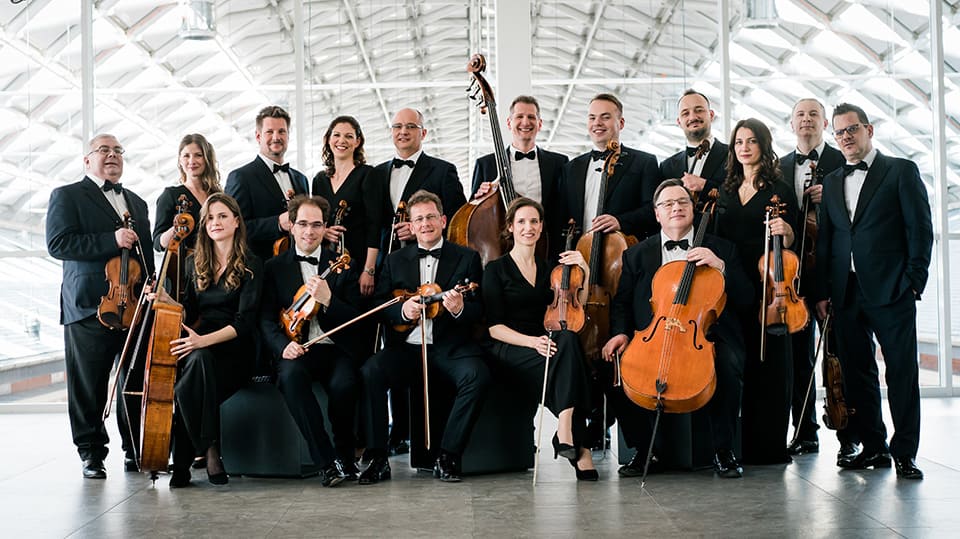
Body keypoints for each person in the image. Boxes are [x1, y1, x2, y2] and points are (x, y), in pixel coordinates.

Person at [602, 179, 751, 478]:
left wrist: (720, 266)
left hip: (705, 335)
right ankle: (645, 450)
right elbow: (622, 302)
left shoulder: (721, 249)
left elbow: (748, 298)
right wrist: (619, 332)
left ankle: (723, 451)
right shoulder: (636, 254)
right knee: (613, 367)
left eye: (682, 202)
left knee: (727, 363)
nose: (676, 208)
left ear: (693, 209)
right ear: (656, 213)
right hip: (653, 334)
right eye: (667, 204)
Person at [815, 103, 932, 480]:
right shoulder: (832, 180)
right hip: (846, 292)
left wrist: (914, 280)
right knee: (857, 374)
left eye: (852, 129)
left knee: (900, 373)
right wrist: (823, 290)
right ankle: (874, 447)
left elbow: (920, 229)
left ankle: (905, 453)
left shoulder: (900, 170)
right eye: (840, 133)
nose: (846, 137)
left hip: (892, 289)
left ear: (869, 129)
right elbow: (830, 240)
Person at [358, 190, 491, 484]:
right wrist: (402, 313)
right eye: (419, 219)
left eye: (431, 217)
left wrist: (459, 309)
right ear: (412, 225)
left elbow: (479, 309)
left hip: (449, 348)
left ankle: (449, 455)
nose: (426, 223)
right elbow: (380, 306)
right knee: (371, 372)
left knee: (477, 375)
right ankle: (378, 457)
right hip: (407, 349)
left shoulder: (467, 258)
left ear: (443, 220)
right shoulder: (394, 260)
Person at [46, 134, 155, 479]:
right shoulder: (67, 196)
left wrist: (151, 283)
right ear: (87, 159)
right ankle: (91, 453)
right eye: (104, 150)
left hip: (134, 306)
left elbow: (146, 253)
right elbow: (58, 242)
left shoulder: (136, 203)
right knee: (88, 385)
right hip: (89, 306)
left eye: (118, 151)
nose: (112, 156)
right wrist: (111, 239)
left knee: (134, 381)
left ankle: (133, 450)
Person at [372, 107, 467, 453]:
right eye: (397, 126)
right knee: (394, 343)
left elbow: (454, 220)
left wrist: (418, 233)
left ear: (422, 133)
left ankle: (427, 439)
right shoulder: (379, 173)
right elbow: (374, 223)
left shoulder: (443, 171)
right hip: (394, 266)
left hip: (430, 265)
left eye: (410, 126)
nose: (402, 132)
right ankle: (396, 433)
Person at [482, 197, 598, 481]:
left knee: (569, 338)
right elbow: (493, 328)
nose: (528, 227)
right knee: (570, 357)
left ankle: (566, 425)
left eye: (534, 221)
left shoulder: (550, 270)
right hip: (511, 347)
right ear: (510, 227)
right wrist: (532, 342)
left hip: (548, 343)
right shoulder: (495, 270)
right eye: (521, 221)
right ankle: (579, 446)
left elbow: (576, 304)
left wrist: (584, 266)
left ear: (541, 226)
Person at [260, 195, 363, 487]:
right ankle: (326, 462)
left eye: (316, 225)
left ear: (325, 227)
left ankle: (345, 454)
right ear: (291, 226)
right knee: (291, 377)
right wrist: (283, 346)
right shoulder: (273, 267)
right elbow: (265, 320)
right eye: (303, 224)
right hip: (296, 349)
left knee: (345, 384)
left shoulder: (343, 265)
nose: (309, 231)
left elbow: (356, 318)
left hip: (335, 348)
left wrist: (329, 299)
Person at [715, 118, 799, 465]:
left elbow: (794, 240)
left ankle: (769, 446)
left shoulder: (778, 189)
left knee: (771, 366)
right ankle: (737, 445)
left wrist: (786, 230)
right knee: (739, 362)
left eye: (751, 141)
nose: (744, 147)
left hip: (769, 285)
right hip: (733, 284)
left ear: (763, 145)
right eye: (738, 142)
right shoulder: (725, 189)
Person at [167, 193, 263, 488]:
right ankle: (210, 448)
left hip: (236, 350)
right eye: (210, 217)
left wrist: (202, 341)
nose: (215, 222)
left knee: (190, 379)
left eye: (222, 216)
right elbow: (189, 313)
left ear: (236, 221)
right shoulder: (193, 263)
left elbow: (245, 322)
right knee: (197, 366)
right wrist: (163, 299)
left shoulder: (252, 264)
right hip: (200, 347)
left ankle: (184, 462)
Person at [777, 98, 850, 459]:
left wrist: (830, 198)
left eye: (813, 115)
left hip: (833, 276)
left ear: (825, 124)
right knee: (797, 360)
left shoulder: (842, 161)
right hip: (793, 280)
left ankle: (850, 436)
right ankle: (805, 432)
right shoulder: (779, 167)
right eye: (800, 115)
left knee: (841, 356)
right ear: (791, 124)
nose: (806, 120)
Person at [558, 93, 662, 245]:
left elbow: (654, 211)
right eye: (592, 118)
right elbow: (561, 218)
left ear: (621, 123)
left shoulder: (644, 163)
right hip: (580, 256)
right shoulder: (571, 168)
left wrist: (620, 221)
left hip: (624, 255)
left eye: (605, 117)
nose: (597, 123)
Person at [470, 95, 568, 238]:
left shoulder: (559, 163)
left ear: (540, 124)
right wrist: (479, 198)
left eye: (531, 117)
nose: (525, 122)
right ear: (509, 123)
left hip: (545, 245)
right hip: (500, 243)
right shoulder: (486, 164)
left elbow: (564, 207)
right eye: (519, 116)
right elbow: (472, 213)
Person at [311, 116, 384, 297]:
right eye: (336, 135)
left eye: (349, 136)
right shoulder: (319, 180)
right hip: (327, 260)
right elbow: (314, 221)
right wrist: (324, 232)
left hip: (358, 260)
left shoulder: (368, 174)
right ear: (328, 139)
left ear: (357, 142)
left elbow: (374, 225)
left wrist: (369, 270)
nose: (341, 141)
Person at [225, 105, 310, 261]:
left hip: (297, 266)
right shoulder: (240, 177)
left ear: (288, 136)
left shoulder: (301, 179)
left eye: (281, 132)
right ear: (258, 137)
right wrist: (277, 223)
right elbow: (232, 228)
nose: (276, 137)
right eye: (269, 132)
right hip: (259, 269)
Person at [153, 134, 222, 254]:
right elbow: (158, 243)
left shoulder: (217, 196)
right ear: (180, 160)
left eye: (198, 155)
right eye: (186, 156)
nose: (192, 161)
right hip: (186, 266)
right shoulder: (170, 195)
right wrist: (177, 229)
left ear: (207, 159)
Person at [658, 89, 728, 201]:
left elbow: (742, 194)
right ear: (679, 122)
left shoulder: (733, 155)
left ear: (711, 115)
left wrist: (705, 185)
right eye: (685, 113)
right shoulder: (667, 167)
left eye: (699, 110)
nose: (693, 117)